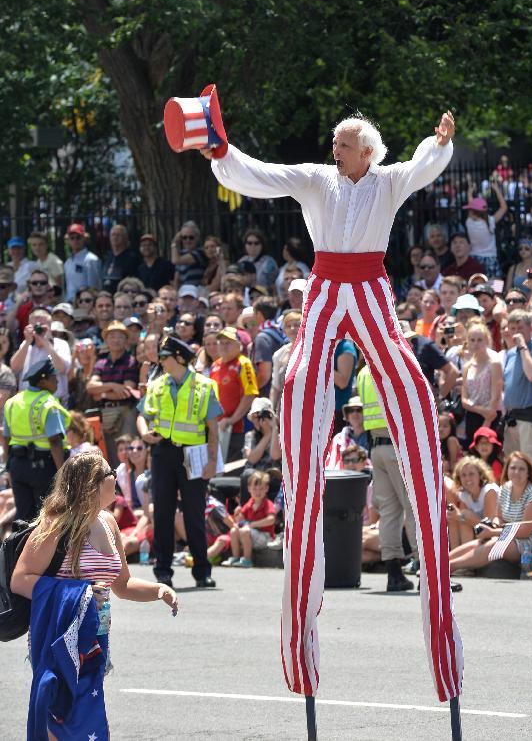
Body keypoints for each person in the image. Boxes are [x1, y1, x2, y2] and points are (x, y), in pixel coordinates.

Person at [204, 109, 462, 702]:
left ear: (365, 150)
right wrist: (222, 153)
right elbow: (261, 174)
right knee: (298, 380)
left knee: (406, 377)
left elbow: (424, 167)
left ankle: (421, 473)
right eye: (335, 143)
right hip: (324, 284)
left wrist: (439, 143)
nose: (333, 148)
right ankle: (299, 492)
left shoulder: (388, 180)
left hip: (370, 283)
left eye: (342, 143)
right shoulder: (318, 179)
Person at [11, 452, 178, 740]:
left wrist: (158, 590)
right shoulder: (56, 526)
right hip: (59, 635)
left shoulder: (109, 522)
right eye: (109, 472)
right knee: (60, 714)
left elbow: (122, 584)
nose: (116, 477)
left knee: (85, 714)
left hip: (94, 637)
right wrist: (81, 593)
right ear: (92, 483)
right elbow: (20, 580)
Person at [137, 333, 222, 588]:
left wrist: (211, 461)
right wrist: (143, 433)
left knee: (195, 514)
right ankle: (163, 571)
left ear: (178, 358)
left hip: (193, 454)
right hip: (163, 453)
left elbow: (213, 427)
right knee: (162, 512)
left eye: (164, 357)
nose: (160, 361)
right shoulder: (157, 384)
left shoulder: (204, 385)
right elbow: (142, 414)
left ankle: (202, 570)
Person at [356, 363, 419, 585]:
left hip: (377, 446)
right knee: (414, 508)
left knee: (390, 511)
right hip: (397, 445)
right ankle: (426, 571)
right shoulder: (395, 367)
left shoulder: (364, 372)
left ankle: (394, 573)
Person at [449, 451, 532, 573]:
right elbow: (498, 517)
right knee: (480, 542)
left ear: (528, 473)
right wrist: (494, 525)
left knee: (495, 545)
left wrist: (494, 532)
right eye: (513, 468)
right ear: (507, 470)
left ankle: (450, 567)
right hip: (511, 536)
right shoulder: (506, 488)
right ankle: (441, 562)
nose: (516, 472)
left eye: (521, 469)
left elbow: (525, 531)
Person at [1, 357, 69, 520]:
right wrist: (63, 474)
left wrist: (8, 465)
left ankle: (22, 546)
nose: (57, 382)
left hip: (17, 466)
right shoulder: (48, 405)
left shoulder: (12, 402)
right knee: (47, 518)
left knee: (24, 518)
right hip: (43, 467)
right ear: (43, 381)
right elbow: (54, 441)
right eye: (54, 378)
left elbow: (5, 438)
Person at [86, 320, 140, 466]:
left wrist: (102, 393)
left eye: (120, 336)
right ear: (106, 340)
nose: (116, 340)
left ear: (126, 340)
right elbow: (90, 386)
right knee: (108, 455)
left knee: (127, 454)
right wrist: (112, 385)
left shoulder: (130, 361)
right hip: (105, 413)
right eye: (112, 336)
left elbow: (126, 391)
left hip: (125, 412)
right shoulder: (101, 363)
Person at [503, 309, 532, 476]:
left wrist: (522, 345)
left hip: (531, 421)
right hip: (512, 421)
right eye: (512, 328)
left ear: (530, 328)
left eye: (520, 328)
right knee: (512, 474)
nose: (516, 333)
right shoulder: (509, 353)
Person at [210, 326, 258, 462]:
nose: (224, 346)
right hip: (218, 429)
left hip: (236, 429)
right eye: (221, 342)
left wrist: (232, 419)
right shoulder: (215, 365)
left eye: (228, 343)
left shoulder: (243, 364)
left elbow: (250, 394)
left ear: (239, 345)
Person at [10, 307, 72, 404]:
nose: (39, 329)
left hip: (53, 402)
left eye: (43, 325)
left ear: (50, 326)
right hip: (28, 402)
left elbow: (62, 369)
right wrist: (27, 342)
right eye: (36, 326)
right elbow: (14, 367)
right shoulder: (26, 345)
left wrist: (46, 342)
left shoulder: (60, 344)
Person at [460, 320, 503, 444]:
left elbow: (496, 394)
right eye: (472, 340)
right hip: (474, 415)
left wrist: (487, 421)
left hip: (492, 416)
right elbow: (464, 399)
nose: (475, 344)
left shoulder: (494, 363)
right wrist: (480, 410)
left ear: (487, 341)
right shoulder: (467, 366)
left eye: (479, 340)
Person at [222, 470, 276, 567]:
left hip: (266, 537)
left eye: (261, 489)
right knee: (234, 530)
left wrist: (252, 525)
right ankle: (236, 557)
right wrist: (238, 515)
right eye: (254, 489)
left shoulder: (267, 504)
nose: (257, 492)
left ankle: (247, 560)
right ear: (249, 489)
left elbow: (271, 519)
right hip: (251, 535)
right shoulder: (250, 503)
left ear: (266, 489)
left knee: (245, 531)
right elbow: (240, 519)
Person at [446, 456, 499, 549]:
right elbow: (463, 519)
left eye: (471, 474)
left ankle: (460, 557)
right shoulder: (464, 495)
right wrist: (456, 516)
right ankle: (454, 554)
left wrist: (460, 516)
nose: (467, 479)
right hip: (478, 532)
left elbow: (489, 526)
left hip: (495, 532)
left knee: (463, 515)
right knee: (457, 519)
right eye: (463, 475)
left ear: (480, 475)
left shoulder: (489, 491)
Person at [462, 186, 507, 277]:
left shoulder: (469, 222)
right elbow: (504, 207)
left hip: (474, 258)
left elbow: (471, 202)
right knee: (496, 286)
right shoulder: (490, 222)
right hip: (491, 258)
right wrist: (497, 190)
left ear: (472, 212)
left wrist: (470, 192)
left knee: (477, 287)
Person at [63, 222, 102, 302]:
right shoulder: (68, 262)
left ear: (84, 238)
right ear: (68, 240)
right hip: (69, 303)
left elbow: (95, 288)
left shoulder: (91, 259)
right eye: (72, 238)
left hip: (84, 303)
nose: (75, 240)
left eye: (78, 237)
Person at [237, 228, 278, 293]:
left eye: (256, 243)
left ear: (262, 245)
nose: (253, 246)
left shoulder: (269, 262)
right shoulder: (241, 261)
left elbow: (274, 287)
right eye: (249, 243)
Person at [102, 224, 140, 294]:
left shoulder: (132, 258)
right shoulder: (107, 256)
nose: (115, 237)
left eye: (118, 235)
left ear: (125, 238)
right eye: (113, 235)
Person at [171, 221, 207, 287]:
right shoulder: (181, 253)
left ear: (197, 238)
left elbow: (175, 260)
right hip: (183, 292)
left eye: (191, 237)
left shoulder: (200, 253)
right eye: (184, 237)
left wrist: (174, 243)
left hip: (196, 291)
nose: (188, 240)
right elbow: (176, 279)